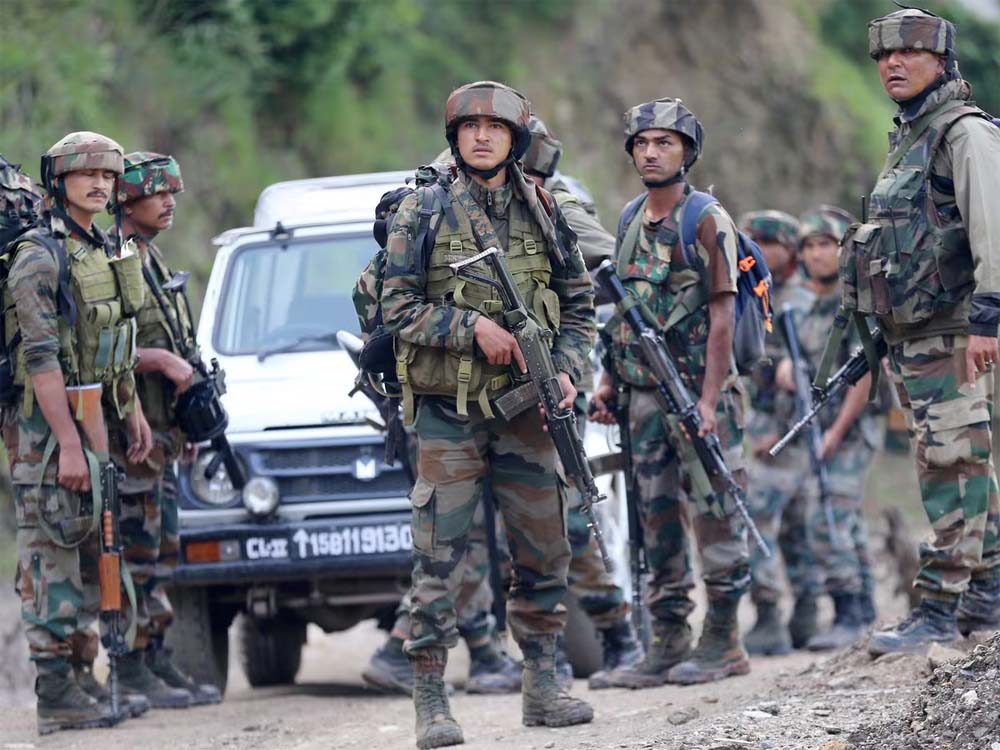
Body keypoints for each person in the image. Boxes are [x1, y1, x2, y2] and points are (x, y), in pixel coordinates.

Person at [380, 81, 596, 748]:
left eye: (495, 128)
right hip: (449, 412)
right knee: (438, 557)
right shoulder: (422, 210)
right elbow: (397, 307)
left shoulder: (544, 209)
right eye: (470, 127)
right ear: (455, 138)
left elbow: (579, 305)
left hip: (528, 412)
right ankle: (430, 698)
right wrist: (469, 327)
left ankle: (543, 686)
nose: (481, 136)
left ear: (514, 139)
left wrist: (568, 370)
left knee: (545, 548)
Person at [844, 8, 1000, 655]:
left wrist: (988, 317)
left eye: (908, 53)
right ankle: (986, 593)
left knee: (952, 464)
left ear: (941, 61)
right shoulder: (910, 136)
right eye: (884, 56)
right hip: (916, 335)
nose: (893, 64)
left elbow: (991, 226)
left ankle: (938, 607)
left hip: (956, 331)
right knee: (958, 460)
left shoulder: (963, 132)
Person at [590, 98, 751, 687]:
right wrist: (610, 381)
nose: (651, 153)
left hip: (700, 394)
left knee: (715, 513)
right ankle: (667, 639)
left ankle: (724, 639)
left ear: (687, 151)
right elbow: (624, 311)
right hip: (643, 397)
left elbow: (723, 314)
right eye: (641, 143)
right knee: (654, 518)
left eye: (664, 142)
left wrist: (707, 402)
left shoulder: (705, 218)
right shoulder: (632, 217)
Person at [3, 131, 153, 733]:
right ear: (58, 181)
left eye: (108, 176)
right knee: (52, 548)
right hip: (45, 430)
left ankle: (80, 673)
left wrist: (131, 410)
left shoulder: (102, 247)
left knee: (94, 546)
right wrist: (67, 444)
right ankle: (54, 690)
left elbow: (113, 344)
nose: (99, 184)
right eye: (86, 173)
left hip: (95, 418)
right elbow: (41, 359)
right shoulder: (41, 256)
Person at [521, 113, 643, 688]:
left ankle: (615, 631)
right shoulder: (454, 208)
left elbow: (612, 270)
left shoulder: (555, 205)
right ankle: (515, 652)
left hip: (554, 381)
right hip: (481, 388)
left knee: (568, 516)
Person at [107, 152, 222, 705]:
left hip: (163, 435)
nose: (169, 202)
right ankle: (128, 664)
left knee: (162, 550)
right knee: (135, 552)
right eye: (157, 194)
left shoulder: (148, 256)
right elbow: (101, 349)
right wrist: (161, 362)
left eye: (172, 192)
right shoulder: (113, 259)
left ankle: (154, 654)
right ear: (127, 203)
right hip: (131, 437)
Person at [769, 206, 880, 652]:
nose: (817, 254)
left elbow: (864, 373)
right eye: (809, 246)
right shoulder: (795, 302)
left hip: (852, 427)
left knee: (827, 515)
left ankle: (848, 610)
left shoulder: (858, 301)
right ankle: (863, 608)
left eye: (826, 245)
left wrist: (835, 434)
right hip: (816, 420)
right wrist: (783, 366)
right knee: (844, 518)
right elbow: (784, 350)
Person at [740, 210, 821, 655]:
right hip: (773, 427)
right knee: (792, 523)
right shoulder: (760, 293)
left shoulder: (799, 301)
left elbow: (808, 372)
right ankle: (801, 615)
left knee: (761, 517)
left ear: (788, 250)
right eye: (755, 241)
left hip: (788, 432)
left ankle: (774, 614)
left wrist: (779, 431)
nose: (759, 250)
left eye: (768, 243)